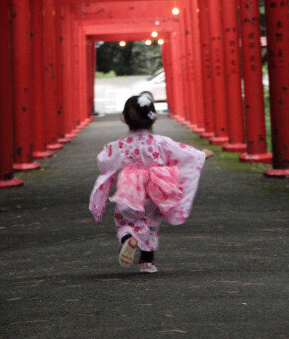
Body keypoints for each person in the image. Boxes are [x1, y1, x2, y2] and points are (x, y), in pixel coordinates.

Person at [89, 92, 214, 273]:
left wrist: (106, 151)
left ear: (124, 119)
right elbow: (183, 154)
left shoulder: (121, 145)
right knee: (152, 223)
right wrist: (202, 154)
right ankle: (146, 263)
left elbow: (104, 160)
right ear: (153, 119)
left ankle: (128, 239)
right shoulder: (161, 142)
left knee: (125, 220)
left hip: (130, 188)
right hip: (156, 187)